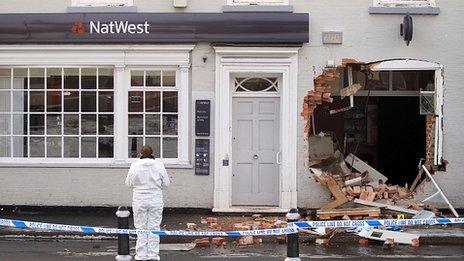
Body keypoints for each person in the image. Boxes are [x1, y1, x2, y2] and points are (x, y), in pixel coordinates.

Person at [125, 145, 170, 261]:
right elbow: (166, 184)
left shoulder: (134, 166)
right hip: (155, 198)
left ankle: (141, 255)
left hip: (139, 199)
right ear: (152, 153)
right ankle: (153, 255)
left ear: (140, 154)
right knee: (154, 227)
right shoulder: (159, 165)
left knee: (140, 227)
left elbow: (129, 183)